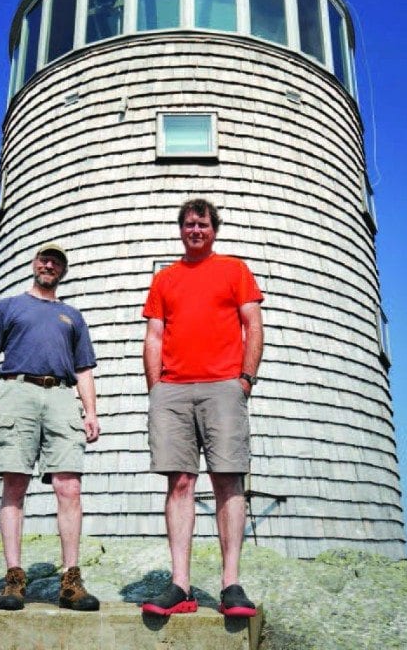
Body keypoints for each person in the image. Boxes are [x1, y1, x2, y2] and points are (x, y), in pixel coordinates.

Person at [141, 199, 264, 617]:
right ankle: (180, 586)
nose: (196, 230)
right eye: (190, 224)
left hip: (223, 387)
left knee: (228, 478)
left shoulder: (234, 270)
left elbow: (253, 324)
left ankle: (231, 584)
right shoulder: (165, 278)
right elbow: (154, 335)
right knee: (179, 483)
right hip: (172, 389)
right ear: (181, 229)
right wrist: (155, 387)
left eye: (203, 224)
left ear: (214, 229)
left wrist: (244, 380)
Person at [0, 242, 100, 611]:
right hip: (16, 389)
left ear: (62, 271)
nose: (49, 265)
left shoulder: (72, 317)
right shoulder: (7, 307)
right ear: (34, 263)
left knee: (69, 485)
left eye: (56, 262)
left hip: (61, 395)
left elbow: (84, 370)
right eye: (45, 259)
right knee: (14, 482)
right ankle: (14, 578)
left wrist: (90, 411)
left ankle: (70, 580)